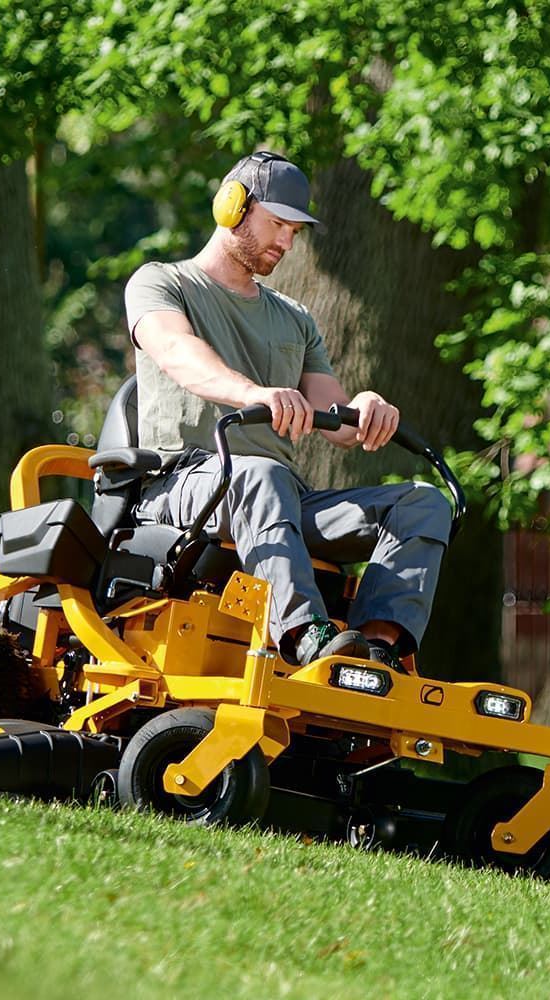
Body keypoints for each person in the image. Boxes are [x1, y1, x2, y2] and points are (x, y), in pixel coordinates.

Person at [124, 150, 452, 670]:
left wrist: (362, 408)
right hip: (182, 483)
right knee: (262, 476)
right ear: (232, 206)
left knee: (423, 503)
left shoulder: (295, 319)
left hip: (277, 493)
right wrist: (253, 392)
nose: (286, 242)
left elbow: (335, 418)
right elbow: (177, 353)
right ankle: (306, 637)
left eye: (294, 231)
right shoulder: (162, 283)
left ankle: (374, 653)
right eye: (277, 223)